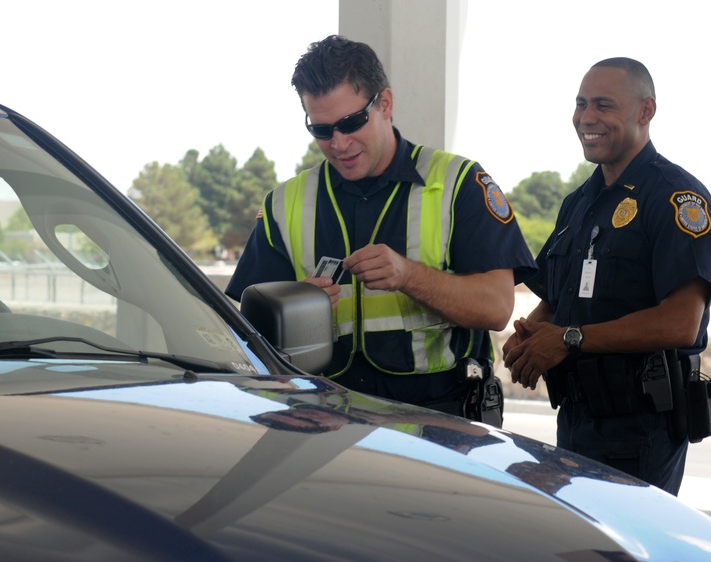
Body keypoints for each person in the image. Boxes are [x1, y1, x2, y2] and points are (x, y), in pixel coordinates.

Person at [227, 35, 536, 420]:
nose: (338, 143)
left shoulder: (459, 184)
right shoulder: (282, 203)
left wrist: (409, 276)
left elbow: (497, 308)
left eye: (351, 123)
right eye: (322, 130)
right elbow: (244, 330)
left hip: (440, 422)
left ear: (385, 104)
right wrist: (292, 306)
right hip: (322, 424)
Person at [503, 57, 711, 495]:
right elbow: (557, 301)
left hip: (641, 427)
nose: (585, 118)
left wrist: (567, 339)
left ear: (645, 111)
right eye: (580, 104)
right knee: (574, 558)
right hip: (577, 418)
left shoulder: (677, 198)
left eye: (602, 105)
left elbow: (680, 322)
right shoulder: (578, 202)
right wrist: (530, 336)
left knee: (622, 560)